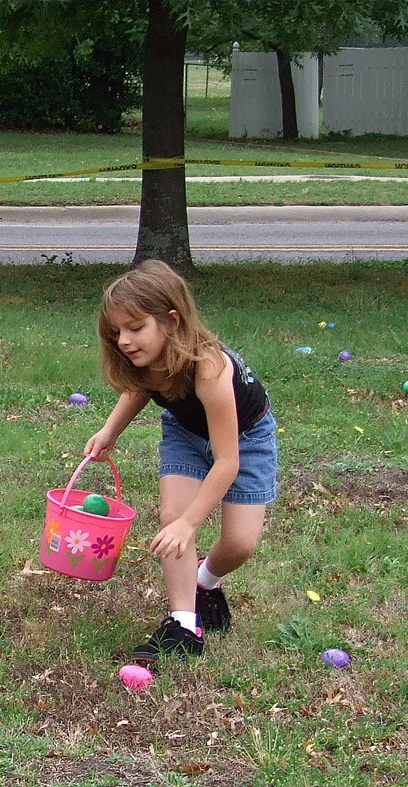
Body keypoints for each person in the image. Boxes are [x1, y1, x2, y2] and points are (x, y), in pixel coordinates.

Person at [84, 260, 277, 666]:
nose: (124, 340)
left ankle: (205, 583)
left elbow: (227, 462)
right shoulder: (145, 359)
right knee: (173, 513)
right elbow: (139, 390)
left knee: (241, 543)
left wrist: (191, 522)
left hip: (246, 437)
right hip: (186, 434)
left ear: (171, 321)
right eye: (117, 331)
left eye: (135, 328)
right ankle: (183, 624)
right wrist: (109, 432)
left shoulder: (208, 366)